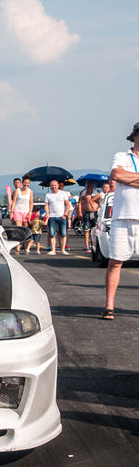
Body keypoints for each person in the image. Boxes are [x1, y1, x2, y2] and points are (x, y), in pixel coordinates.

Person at [103, 122, 139, 319]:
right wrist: (123, 176)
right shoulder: (121, 156)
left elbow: (121, 176)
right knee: (115, 262)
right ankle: (109, 306)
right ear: (134, 136)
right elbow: (116, 174)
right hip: (122, 216)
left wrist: (128, 177)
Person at [44, 179, 71, 255]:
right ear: (50, 186)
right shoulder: (48, 195)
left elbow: (67, 204)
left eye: (55, 185)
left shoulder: (63, 193)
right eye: (52, 185)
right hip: (52, 216)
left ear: (58, 185)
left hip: (61, 216)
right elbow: (46, 205)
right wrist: (47, 212)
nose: (54, 187)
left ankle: (63, 249)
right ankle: (53, 250)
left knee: (63, 234)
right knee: (52, 234)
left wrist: (65, 214)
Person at [78, 180, 102, 252]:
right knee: (86, 229)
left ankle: (95, 245)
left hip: (95, 212)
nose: (90, 184)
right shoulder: (83, 192)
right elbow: (80, 203)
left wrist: (98, 209)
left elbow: (100, 202)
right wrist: (80, 212)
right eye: (88, 183)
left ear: (94, 184)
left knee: (95, 229)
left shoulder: (97, 192)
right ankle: (87, 245)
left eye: (91, 183)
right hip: (86, 212)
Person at [11, 174, 33, 253]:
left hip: (26, 212)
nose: (26, 184)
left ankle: (26, 246)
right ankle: (18, 248)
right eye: (25, 183)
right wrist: (12, 212)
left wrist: (30, 213)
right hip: (18, 211)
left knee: (25, 230)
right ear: (22, 183)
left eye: (28, 183)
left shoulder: (30, 191)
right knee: (18, 229)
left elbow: (31, 203)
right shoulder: (18, 190)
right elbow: (14, 202)